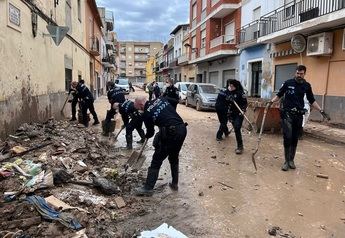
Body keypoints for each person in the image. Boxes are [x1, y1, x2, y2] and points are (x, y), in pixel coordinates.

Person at [268, 65, 330, 171]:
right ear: (295, 73)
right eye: (297, 73)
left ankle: (291, 160)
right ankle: (286, 161)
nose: (299, 75)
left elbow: (312, 100)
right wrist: (271, 101)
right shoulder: (288, 83)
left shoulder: (306, 86)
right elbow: (279, 95)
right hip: (287, 114)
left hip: (298, 115)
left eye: (301, 74)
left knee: (294, 138)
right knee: (287, 137)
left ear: (304, 74)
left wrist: (321, 111)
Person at [133, 96, 187, 196]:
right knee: (174, 157)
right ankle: (174, 184)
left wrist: (147, 135)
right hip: (182, 128)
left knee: (156, 160)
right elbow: (175, 101)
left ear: (141, 105)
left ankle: (148, 188)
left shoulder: (147, 113)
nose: (139, 110)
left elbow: (150, 132)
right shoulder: (161, 99)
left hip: (171, 133)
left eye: (139, 109)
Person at [227, 79, 248, 154]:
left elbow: (245, 103)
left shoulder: (241, 93)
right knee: (236, 129)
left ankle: (240, 146)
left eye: (232, 86)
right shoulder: (229, 92)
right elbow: (226, 101)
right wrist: (228, 99)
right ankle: (240, 145)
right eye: (229, 86)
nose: (230, 87)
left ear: (235, 86)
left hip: (239, 113)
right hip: (231, 114)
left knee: (237, 127)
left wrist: (243, 110)